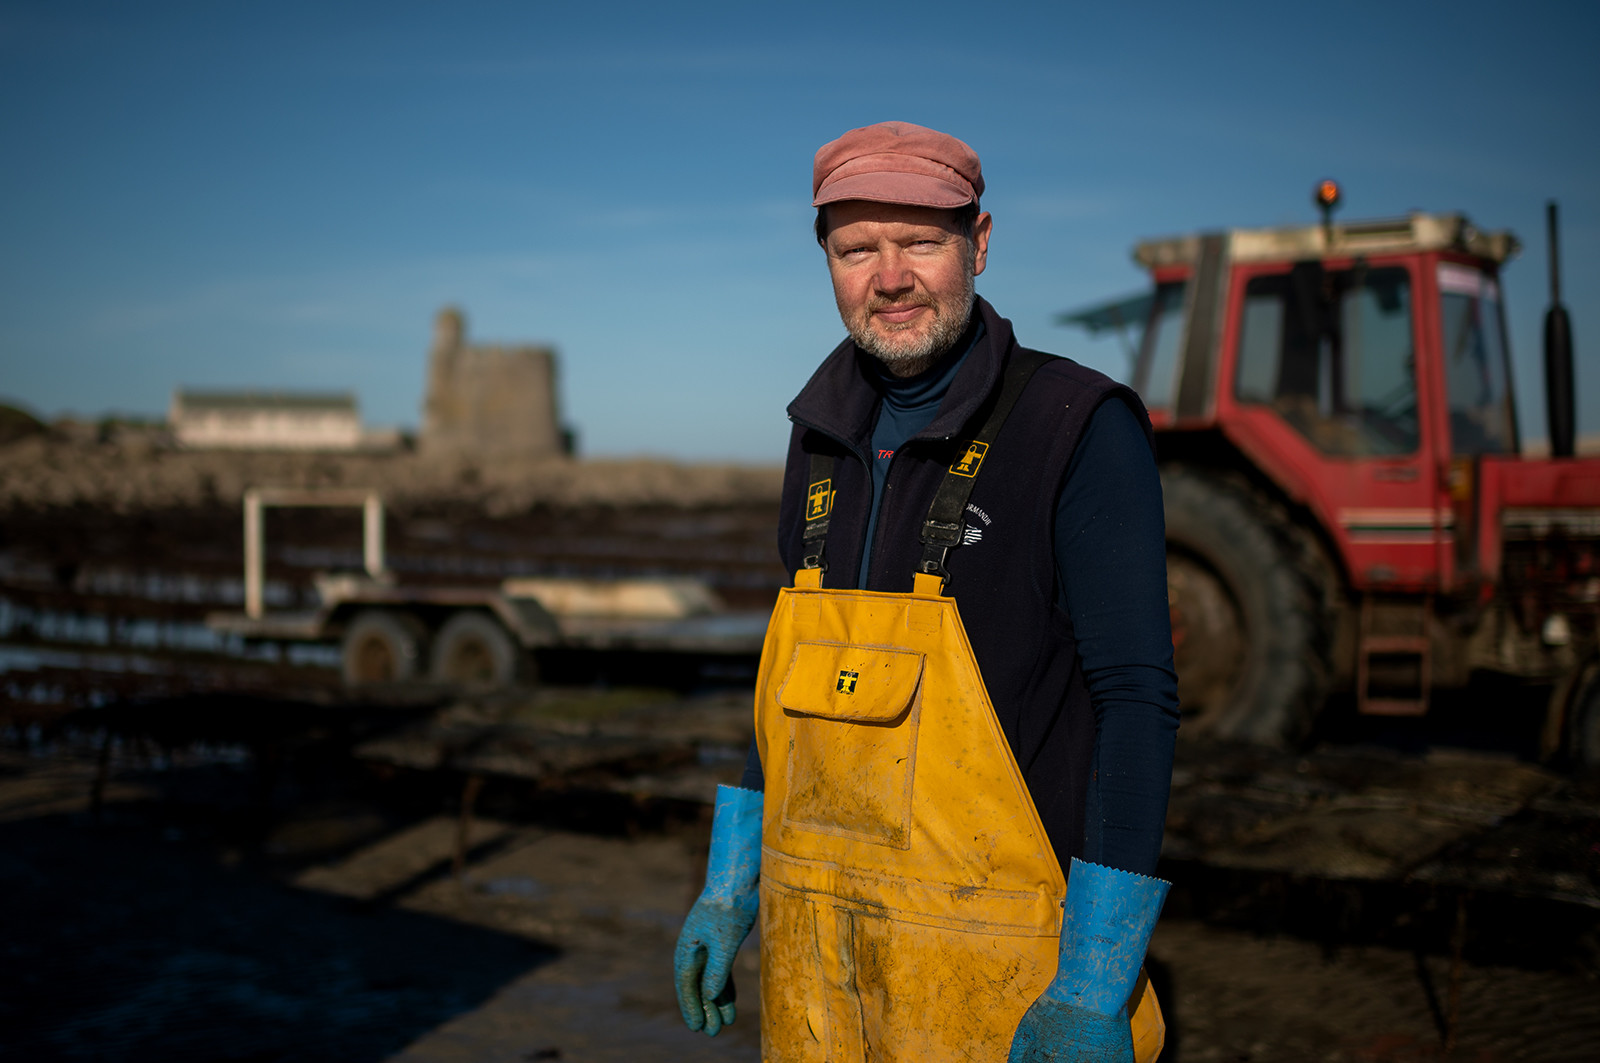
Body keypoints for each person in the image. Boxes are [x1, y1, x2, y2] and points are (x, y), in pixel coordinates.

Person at [673, 120, 1181, 1062]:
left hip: (999, 982)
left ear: (980, 243)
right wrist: (729, 885)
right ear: (825, 259)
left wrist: (1095, 984)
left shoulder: (1077, 425)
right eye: (857, 248)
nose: (890, 276)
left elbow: (1137, 702)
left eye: (921, 242)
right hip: (821, 975)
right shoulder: (816, 438)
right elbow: (794, 687)